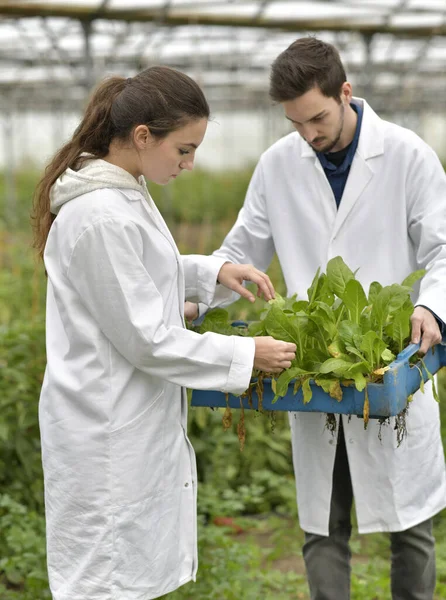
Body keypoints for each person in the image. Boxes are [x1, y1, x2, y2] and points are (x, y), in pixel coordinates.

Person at [31, 65, 297, 600]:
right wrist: (246, 355)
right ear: (142, 136)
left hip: (128, 421)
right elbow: (146, 336)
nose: (189, 163)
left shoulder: (123, 190)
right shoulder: (100, 212)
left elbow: (141, 275)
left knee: (126, 576)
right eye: (183, 149)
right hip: (105, 429)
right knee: (104, 581)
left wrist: (210, 272)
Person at [196, 37, 446, 600]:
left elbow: (444, 249)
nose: (308, 135)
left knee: (411, 531)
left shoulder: (407, 156)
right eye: (295, 123)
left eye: (317, 118)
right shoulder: (278, 165)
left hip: (388, 361)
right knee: (322, 529)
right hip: (315, 364)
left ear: (346, 93)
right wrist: (194, 295)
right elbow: (241, 254)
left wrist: (431, 304)